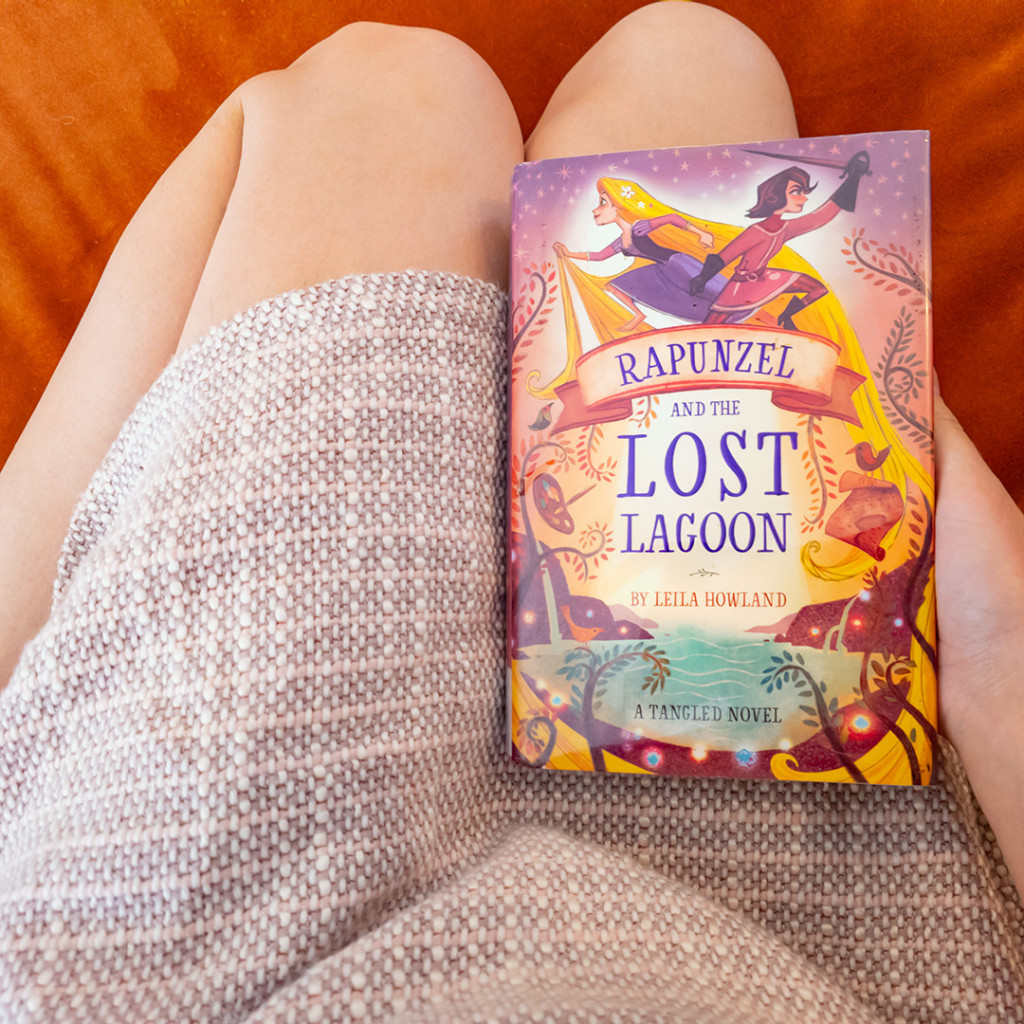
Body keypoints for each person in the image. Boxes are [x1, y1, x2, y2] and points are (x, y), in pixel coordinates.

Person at [1, 4, 1023, 1021]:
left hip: (227, 891)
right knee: (691, 61)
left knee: (390, 89)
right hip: (834, 920)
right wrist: (998, 645)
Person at [689, 155, 871, 328]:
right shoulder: (756, 231)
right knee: (709, 327)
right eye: (796, 192)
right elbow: (723, 257)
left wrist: (853, 178)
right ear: (775, 196)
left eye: (803, 192)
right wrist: (702, 278)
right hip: (740, 287)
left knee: (817, 289)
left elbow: (821, 216)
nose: (804, 197)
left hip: (765, 279)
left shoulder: (786, 228)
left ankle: (786, 316)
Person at [553, 178, 716, 332]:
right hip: (661, 269)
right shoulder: (622, 241)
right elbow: (600, 256)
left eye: (603, 203)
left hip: (677, 263)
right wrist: (568, 253)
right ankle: (638, 314)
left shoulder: (638, 228)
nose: (595, 209)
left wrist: (701, 233)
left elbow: (671, 218)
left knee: (709, 290)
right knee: (614, 285)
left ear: (617, 206)